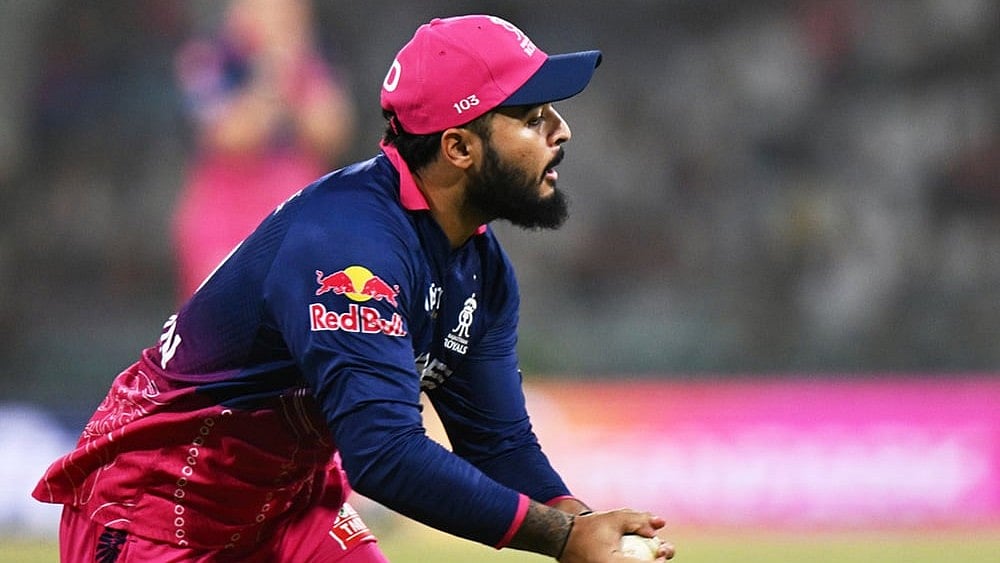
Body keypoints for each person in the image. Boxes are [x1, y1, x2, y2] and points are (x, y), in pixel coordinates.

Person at [33, 14, 675, 563]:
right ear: (457, 147)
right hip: (155, 513)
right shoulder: (349, 251)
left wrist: (587, 526)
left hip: (288, 506)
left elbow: (497, 441)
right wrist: (562, 539)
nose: (561, 132)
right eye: (532, 118)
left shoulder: (480, 267)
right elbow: (386, 455)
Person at [172, 0, 355, 298]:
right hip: (225, 216)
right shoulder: (208, 58)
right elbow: (231, 136)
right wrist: (273, 71)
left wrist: (294, 69)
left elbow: (332, 132)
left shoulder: (311, 65)